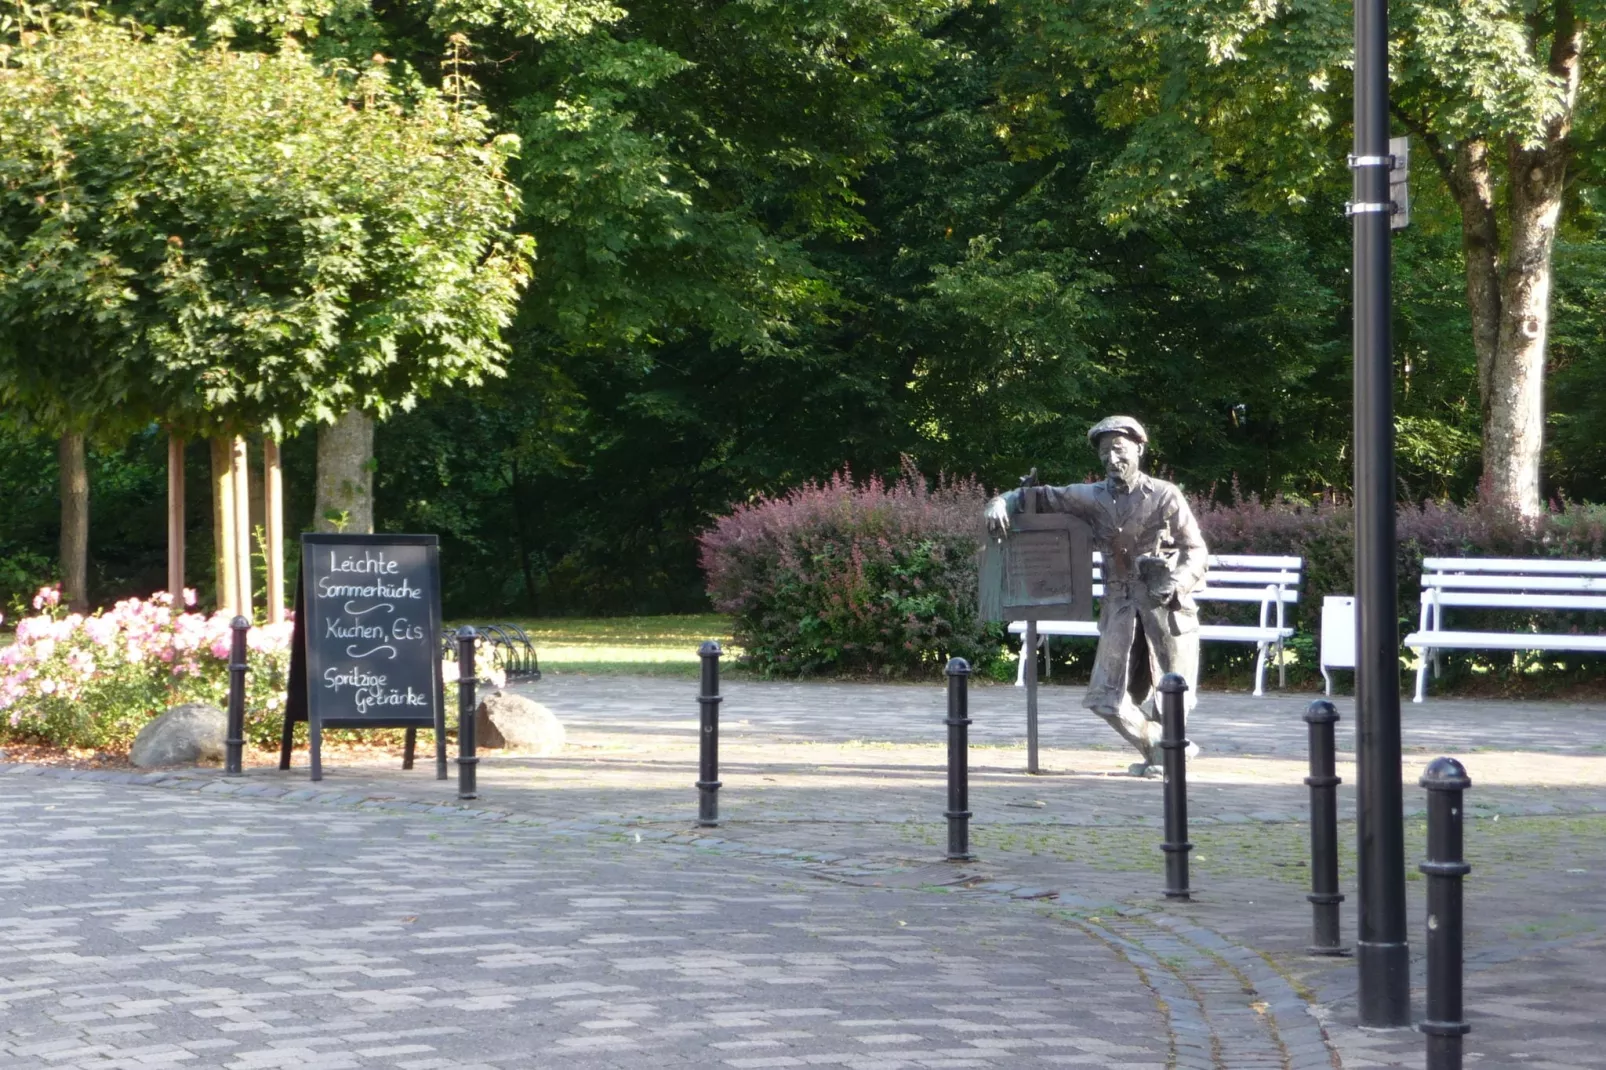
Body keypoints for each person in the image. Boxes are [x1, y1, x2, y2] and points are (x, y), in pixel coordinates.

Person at [984, 416, 1208, 775]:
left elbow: (1196, 550)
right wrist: (1001, 501)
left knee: (1171, 695)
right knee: (1105, 696)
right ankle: (1163, 748)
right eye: (1104, 452)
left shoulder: (1166, 494)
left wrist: (1177, 582)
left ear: (1139, 448)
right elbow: (1041, 496)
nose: (1111, 458)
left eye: (1118, 449)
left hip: (1165, 606)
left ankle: (1166, 758)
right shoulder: (1090, 496)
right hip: (1119, 606)